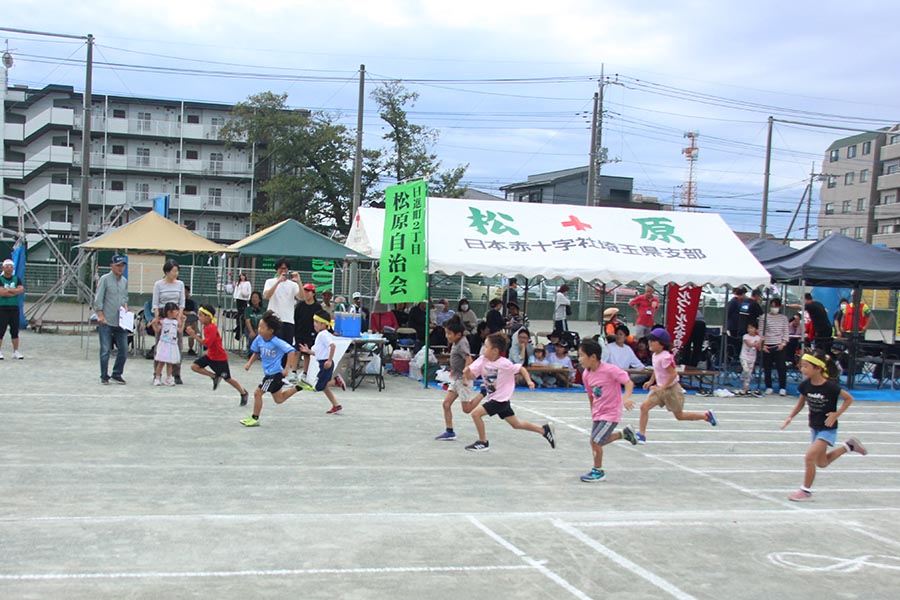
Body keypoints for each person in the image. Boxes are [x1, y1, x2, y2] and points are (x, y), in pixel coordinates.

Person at [780, 350, 868, 502]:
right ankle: (849, 446)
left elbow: (848, 399)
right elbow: (801, 403)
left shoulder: (830, 387)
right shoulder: (805, 385)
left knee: (809, 457)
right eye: (802, 366)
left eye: (806, 366)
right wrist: (790, 417)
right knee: (822, 463)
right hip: (815, 427)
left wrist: (836, 414)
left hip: (828, 429)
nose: (802, 369)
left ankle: (805, 490)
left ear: (818, 368)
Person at [462, 332, 556, 452]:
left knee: (476, 414)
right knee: (516, 424)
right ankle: (544, 430)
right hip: (496, 398)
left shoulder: (504, 363)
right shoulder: (482, 360)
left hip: (500, 400)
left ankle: (483, 442)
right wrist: (466, 372)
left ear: (495, 351)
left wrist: (529, 381)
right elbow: (473, 376)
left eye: (486, 346)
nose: (483, 349)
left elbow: (521, 368)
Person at [636, 328, 716, 443]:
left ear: (661, 344)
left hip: (672, 390)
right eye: (650, 340)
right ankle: (642, 434)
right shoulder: (655, 355)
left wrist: (662, 387)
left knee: (679, 416)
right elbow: (657, 370)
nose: (650, 343)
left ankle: (706, 416)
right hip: (660, 388)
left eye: (653, 340)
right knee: (644, 407)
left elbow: (673, 374)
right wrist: (651, 381)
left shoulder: (665, 357)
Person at [577, 339, 638, 482]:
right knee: (595, 441)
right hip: (599, 412)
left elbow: (628, 383)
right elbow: (590, 394)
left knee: (596, 441)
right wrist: (593, 410)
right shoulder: (586, 374)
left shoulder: (610, 370)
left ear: (593, 357)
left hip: (611, 413)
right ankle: (624, 434)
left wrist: (626, 398)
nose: (579, 359)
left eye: (581, 355)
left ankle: (598, 471)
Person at [240, 311, 302, 427]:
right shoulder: (259, 339)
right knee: (279, 399)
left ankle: (255, 418)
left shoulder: (276, 342)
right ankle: (299, 387)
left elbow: (291, 351)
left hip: (274, 374)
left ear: (271, 331)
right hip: (269, 374)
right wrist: (249, 363)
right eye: (259, 326)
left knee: (257, 393)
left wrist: (286, 368)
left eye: (262, 327)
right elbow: (256, 352)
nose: (259, 329)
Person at [186, 304, 249, 406]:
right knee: (195, 366)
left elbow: (206, 343)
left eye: (201, 315)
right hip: (210, 355)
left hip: (219, 358)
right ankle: (214, 376)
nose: (199, 318)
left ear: (208, 316)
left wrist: (193, 335)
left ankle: (243, 392)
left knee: (228, 378)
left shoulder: (211, 328)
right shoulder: (205, 326)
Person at [296, 310, 347, 414]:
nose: (314, 324)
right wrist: (308, 351)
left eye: (316, 322)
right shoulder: (322, 334)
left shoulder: (323, 335)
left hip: (325, 364)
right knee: (324, 387)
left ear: (323, 324)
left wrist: (329, 360)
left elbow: (332, 346)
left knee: (319, 387)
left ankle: (336, 381)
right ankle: (336, 405)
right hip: (323, 363)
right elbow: (319, 353)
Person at [435, 317, 476, 440]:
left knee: (466, 409)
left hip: (463, 380)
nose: (447, 336)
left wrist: (464, 377)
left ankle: (483, 393)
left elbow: (469, 359)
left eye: (449, 333)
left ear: (458, 334)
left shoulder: (462, 343)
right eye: (446, 333)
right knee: (446, 404)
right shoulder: (456, 342)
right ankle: (449, 431)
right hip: (456, 379)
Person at [94, 254, 130, 384]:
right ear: (112, 266)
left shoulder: (124, 281)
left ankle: (117, 373)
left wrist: (125, 307)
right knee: (105, 349)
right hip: (107, 320)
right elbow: (98, 298)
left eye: (122, 266)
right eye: (118, 265)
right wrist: (100, 315)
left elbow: (125, 298)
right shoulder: (105, 279)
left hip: (121, 321)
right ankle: (104, 375)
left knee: (124, 349)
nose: (120, 268)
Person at [151, 260, 186, 384]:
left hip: (176, 313)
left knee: (177, 344)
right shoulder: (158, 284)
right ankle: (157, 373)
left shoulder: (180, 284)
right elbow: (155, 303)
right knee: (161, 344)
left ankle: (175, 373)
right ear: (167, 272)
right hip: (163, 312)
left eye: (177, 271)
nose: (176, 273)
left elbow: (182, 302)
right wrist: (158, 316)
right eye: (173, 271)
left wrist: (179, 317)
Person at [263, 258, 302, 363]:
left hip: (288, 320)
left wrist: (299, 281)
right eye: (281, 268)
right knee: (273, 348)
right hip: (274, 319)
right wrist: (278, 282)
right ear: (277, 269)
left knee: (286, 348)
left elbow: (301, 297)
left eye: (285, 269)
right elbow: (267, 295)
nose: (283, 271)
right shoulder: (270, 282)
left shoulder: (293, 285)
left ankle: (283, 374)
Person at [293, 282, 322, 385]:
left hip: (310, 333)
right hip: (299, 331)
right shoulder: (300, 305)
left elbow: (320, 320)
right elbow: (295, 318)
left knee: (307, 353)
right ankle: (293, 372)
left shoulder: (317, 307)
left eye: (308, 291)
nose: (306, 294)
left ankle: (305, 373)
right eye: (305, 291)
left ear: (313, 293)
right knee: (296, 351)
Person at [761, 298, 790, 396]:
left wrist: (783, 343)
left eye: (776, 306)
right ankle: (768, 386)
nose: (774, 308)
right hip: (767, 344)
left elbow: (786, 332)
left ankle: (782, 387)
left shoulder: (784, 318)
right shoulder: (764, 317)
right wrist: (763, 345)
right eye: (772, 306)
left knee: (781, 367)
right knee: (767, 367)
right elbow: (761, 331)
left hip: (779, 345)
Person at [0, 257, 25, 360]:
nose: (9, 268)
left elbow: (21, 290)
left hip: (14, 308)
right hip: (2, 307)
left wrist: (9, 291)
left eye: (11, 266)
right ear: (3, 268)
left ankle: (15, 351)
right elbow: (2, 292)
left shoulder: (16, 278)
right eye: (7, 266)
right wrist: (14, 291)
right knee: (1, 330)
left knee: (15, 330)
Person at [153, 302, 183, 386]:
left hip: (172, 344)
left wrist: (182, 321)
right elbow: (157, 330)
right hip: (164, 344)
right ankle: (157, 377)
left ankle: (169, 378)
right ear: (169, 312)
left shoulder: (175, 322)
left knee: (170, 363)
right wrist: (154, 322)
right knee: (161, 362)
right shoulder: (163, 321)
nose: (177, 313)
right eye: (175, 311)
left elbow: (180, 330)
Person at [740, 321, 762, 396]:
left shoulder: (758, 338)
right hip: (744, 356)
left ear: (756, 329)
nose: (750, 330)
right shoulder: (745, 336)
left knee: (749, 373)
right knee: (746, 370)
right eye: (748, 328)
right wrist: (759, 342)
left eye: (752, 328)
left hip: (752, 357)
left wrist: (761, 342)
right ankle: (742, 377)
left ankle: (745, 388)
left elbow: (759, 348)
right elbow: (749, 344)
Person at [243, 291, 265, 356]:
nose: (254, 299)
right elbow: (247, 321)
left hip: (260, 330)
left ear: (259, 300)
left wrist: (259, 330)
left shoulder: (263, 310)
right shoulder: (248, 309)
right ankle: (251, 353)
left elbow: (264, 321)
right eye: (252, 297)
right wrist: (252, 331)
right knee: (252, 336)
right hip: (249, 329)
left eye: (256, 297)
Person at [233, 272, 252, 339]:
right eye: (241, 276)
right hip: (239, 298)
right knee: (239, 312)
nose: (242, 277)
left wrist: (249, 298)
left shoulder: (247, 283)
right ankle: (238, 325)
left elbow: (249, 291)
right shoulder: (238, 283)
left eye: (243, 276)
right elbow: (236, 290)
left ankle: (242, 327)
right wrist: (235, 297)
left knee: (243, 312)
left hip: (244, 299)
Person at [184, 285, 199, 356]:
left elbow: (196, 313)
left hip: (190, 323)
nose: (185, 294)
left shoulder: (192, 303)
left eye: (187, 292)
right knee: (192, 325)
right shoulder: (178, 302)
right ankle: (199, 337)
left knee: (192, 323)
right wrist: (187, 313)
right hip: (181, 323)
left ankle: (191, 348)